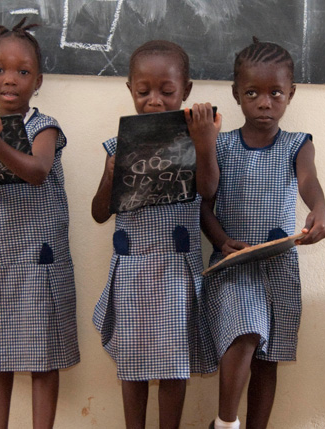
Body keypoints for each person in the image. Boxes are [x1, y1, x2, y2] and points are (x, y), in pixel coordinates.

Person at [0, 18, 79, 429]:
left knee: (43, 358)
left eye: (23, 72)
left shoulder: (45, 126)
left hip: (39, 260)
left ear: (38, 80)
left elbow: (37, 171)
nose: (11, 80)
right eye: (0, 70)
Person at [90, 40, 221, 429]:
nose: (154, 101)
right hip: (132, 271)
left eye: (167, 91)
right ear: (130, 89)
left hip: (176, 272)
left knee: (174, 365)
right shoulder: (119, 145)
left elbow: (209, 191)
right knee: (131, 365)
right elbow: (98, 213)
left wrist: (204, 143)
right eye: (143, 91)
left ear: (187, 91)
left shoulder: (196, 141)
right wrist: (112, 175)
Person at [202, 38, 325, 429]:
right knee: (245, 333)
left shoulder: (297, 145)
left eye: (275, 93)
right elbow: (203, 202)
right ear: (236, 94)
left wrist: (319, 209)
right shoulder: (220, 145)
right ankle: (226, 423)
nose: (264, 103)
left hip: (278, 264)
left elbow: (309, 181)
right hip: (233, 263)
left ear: (290, 94)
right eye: (252, 93)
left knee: (268, 356)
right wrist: (221, 241)